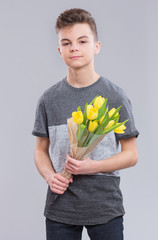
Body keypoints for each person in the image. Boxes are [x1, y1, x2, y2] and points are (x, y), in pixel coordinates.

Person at [32, 8, 139, 240]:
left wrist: (93, 166)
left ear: (96, 46)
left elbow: (131, 155)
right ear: (60, 50)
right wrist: (50, 176)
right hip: (60, 208)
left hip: (105, 208)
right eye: (67, 43)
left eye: (82, 41)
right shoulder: (48, 99)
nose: (74, 48)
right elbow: (40, 150)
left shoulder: (115, 96)